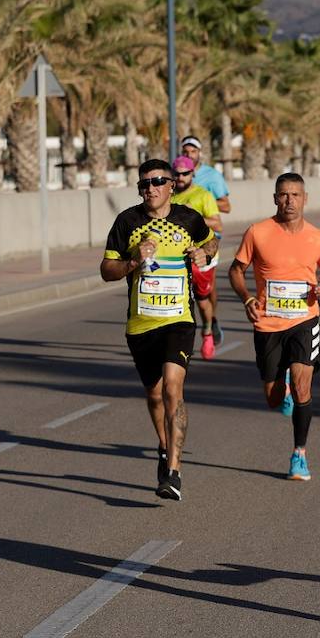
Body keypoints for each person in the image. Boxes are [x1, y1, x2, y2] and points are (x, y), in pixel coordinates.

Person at [100, 159, 217, 501]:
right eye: (144, 184)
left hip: (179, 319)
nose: (150, 188)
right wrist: (133, 260)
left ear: (170, 186)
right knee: (154, 395)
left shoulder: (188, 218)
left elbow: (211, 244)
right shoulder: (127, 221)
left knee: (173, 389)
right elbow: (107, 269)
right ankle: (164, 449)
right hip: (140, 323)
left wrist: (201, 252)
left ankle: (174, 472)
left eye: (157, 181)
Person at [228, 173, 320, 481]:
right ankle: (284, 385)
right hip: (268, 324)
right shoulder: (258, 232)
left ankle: (299, 455)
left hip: (305, 319)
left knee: (304, 386)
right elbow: (236, 270)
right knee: (273, 398)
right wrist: (247, 298)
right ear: (275, 198)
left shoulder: (318, 237)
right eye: (283, 195)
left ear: (306, 199)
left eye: (295, 195)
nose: (289, 200)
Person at [170, 155, 224, 360]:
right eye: (177, 174)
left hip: (202, 256)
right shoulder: (169, 197)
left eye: (185, 173)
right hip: (178, 258)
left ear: (193, 173)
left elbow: (218, 225)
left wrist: (193, 217)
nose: (181, 177)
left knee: (202, 301)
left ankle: (208, 332)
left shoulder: (203, 195)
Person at [180, 136, 231, 345]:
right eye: (186, 151)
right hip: (183, 242)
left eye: (193, 151)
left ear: (200, 153)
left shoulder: (211, 176)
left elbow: (227, 206)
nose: (189, 155)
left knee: (208, 288)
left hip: (208, 239)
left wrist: (203, 200)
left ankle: (212, 319)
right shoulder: (178, 173)